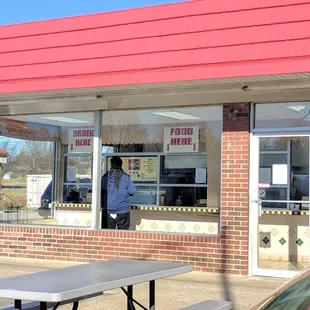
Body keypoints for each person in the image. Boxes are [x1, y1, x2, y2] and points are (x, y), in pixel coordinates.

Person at [101, 156, 135, 230]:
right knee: (123, 236)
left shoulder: (104, 177)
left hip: (108, 211)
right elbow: (132, 192)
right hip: (123, 211)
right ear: (121, 165)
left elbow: (101, 192)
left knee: (106, 235)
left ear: (111, 164)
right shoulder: (127, 177)